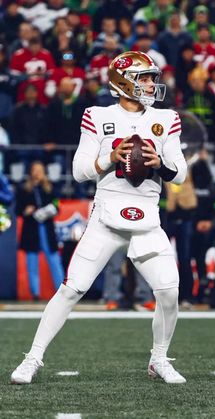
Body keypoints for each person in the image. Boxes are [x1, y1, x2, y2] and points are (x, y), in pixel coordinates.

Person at [11, 51, 187, 385]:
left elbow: (179, 175)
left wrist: (158, 164)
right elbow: (79, 171)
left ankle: (159, 359)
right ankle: (32, 359)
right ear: (124, 82)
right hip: (106, 215)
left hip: (148, 216)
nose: (152, 83)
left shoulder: (167, 119)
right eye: (144, 77)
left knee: (168, 291)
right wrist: (111, 156)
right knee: (72, 288)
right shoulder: (97, 115)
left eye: (152, 77)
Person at [15, 161, 64, 300]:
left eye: (40, 170)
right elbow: (18, 210)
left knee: (54, 260)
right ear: (31, 172)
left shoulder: (50, 188)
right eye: (35, 170)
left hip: (47, 229)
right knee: (32, 263)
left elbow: (56, 205)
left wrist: (51, 209)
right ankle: (35, 293)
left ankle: (61, 292)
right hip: (31, 229)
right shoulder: (24, 189)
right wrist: (26, 211)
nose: (37, 173)